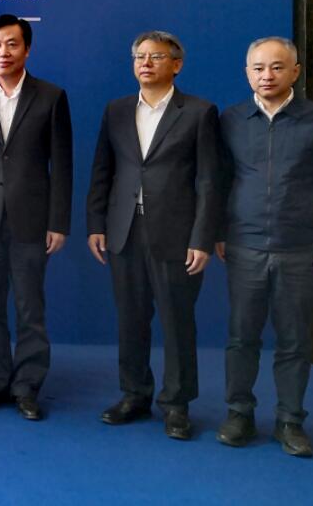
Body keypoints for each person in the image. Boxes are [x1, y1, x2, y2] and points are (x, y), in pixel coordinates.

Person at [86, 30, 221, 440]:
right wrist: (96, 225)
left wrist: (202, 238)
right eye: (139, 56)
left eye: (155, 57)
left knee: (177, 322)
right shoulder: (116, 110)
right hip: (124, 229)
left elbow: (209, 181)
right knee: (130, 319)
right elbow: (102, 171)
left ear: (176, 65)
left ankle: (177, 404)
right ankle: (134, 394)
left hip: (176, 234)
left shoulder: (199, 112)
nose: (145, 63)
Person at [215, 36, 313, 458]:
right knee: (241, 337)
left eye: (277, 67)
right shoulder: (231, 119)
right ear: (247, 73)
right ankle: (239, 413)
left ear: (295, 72)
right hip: (244, 245)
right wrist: (218, 232)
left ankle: (290, 421)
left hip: (299, 247)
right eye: (259, 68)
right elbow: (219, 181)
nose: (267, 75)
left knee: (294, 340)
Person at [0, 14, 72, 421]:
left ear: (27, 49)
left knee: (29, 310)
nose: (3, 52)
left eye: (11, 44)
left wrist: (58, 222)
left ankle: (27, 387)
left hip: (32, 221)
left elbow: (63, 165)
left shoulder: (51, 97)